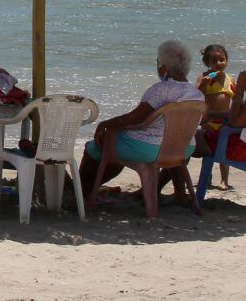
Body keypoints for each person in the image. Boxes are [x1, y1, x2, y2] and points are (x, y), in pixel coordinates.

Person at [79, 39, 204, 208]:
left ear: (163, 66)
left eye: (158, 62)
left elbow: (135, 118)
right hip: (182, 148)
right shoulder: (196, 94)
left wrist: (105, 124)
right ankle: (86, 189)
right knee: (116, 140)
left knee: (96, 147)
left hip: (150, 149)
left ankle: (82, 189)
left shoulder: (160, 89)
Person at [198, 44, 237, 188]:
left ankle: (224, 180)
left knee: (223, 152)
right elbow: (195, 94)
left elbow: (237, 99)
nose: (219, 63)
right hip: (209, 120)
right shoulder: (203, 77)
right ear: (207, 63)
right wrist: (203, 85)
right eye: (214, 61)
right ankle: (207, 177)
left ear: (227, 60)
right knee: (208, 151)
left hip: (224, 122)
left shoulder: (230, 80)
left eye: (222, 59)